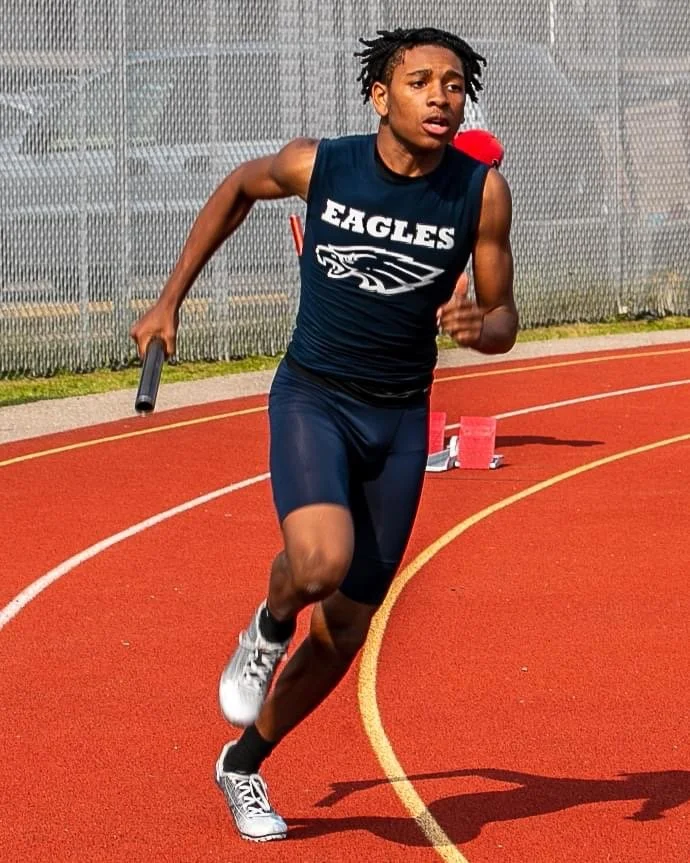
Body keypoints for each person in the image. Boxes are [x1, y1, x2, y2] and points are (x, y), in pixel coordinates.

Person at [130, 25, 518, 843]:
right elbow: (238, 187)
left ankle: (241, 763)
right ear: (381, 95)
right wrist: (169, 300)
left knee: (344, 630)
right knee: (317, 562)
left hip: (400, 417)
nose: (441, 97)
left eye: (454, 84)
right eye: (420, 82)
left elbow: (506, 316)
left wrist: (480, 328)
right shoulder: (324, 164)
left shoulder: (478, 191)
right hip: (315, 396)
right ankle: (267, 626)